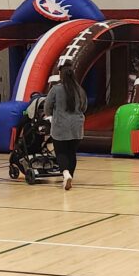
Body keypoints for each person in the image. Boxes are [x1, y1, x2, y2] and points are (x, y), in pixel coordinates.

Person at [44, 62, 87, 190]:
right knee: (71, 153)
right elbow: (84, 107)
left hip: (61, 126)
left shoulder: (56, 89)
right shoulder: (80, 89)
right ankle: (69, 177)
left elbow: (47, 107)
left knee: (61, 152)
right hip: (77, 127)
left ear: (60, 75)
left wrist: (50, 114)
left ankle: (65, 173)